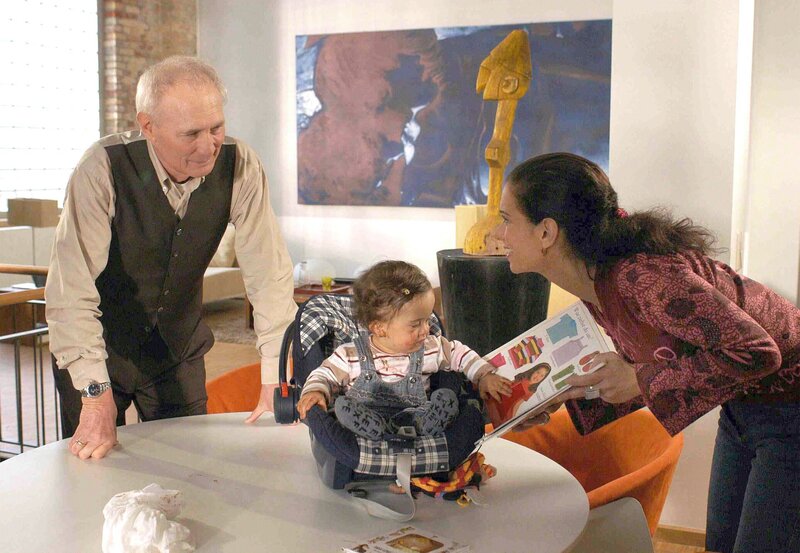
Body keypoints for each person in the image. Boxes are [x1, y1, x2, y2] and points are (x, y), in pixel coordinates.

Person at [492, 152, 800, 553]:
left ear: (546, 232)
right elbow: (662, 367)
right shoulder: (599, 284)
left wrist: (637, 378)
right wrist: (558, 399)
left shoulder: (643, 279)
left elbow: (758, 352)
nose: (498, 233)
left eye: (506, 219)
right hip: (743, 407)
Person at [46, 56, 298, 460]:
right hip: (98, 349)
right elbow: (69, 290)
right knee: (93, 468)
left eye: (216, 128)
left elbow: (269, 276)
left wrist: (275, 376)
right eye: (191, 133)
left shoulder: (241, 166)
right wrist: (94, 394)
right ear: (148, 126)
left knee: (191, 467)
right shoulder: (101, 168)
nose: (208, 145)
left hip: (178, 351)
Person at [297, 260, 511, 440]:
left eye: (427, 320)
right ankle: (371, 428)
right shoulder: (350, 355)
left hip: (416, 426)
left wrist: (484, 375)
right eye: (416, 324)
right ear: (379, 328)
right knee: (343, 407)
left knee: (446, 398)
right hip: (364, 428)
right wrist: (315, 391)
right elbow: (323, 374)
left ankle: (428, 424)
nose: (426, 330)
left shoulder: (431, 348)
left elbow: (459, 353)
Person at [485, 362, 551, 424]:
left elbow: (517, 404)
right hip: (499, 397)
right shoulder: (523, 377)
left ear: (543, 378)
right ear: (533, 370)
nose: (538, 376)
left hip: (507, 409)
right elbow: (508, 384)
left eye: (542, 376)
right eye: (538, 372)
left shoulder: (532, 390)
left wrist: (513, 419)